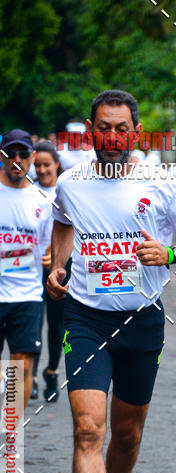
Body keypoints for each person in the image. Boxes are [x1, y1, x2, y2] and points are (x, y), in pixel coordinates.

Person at [47, 89, 176, 473]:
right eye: (104, 127)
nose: (113, 136)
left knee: (127, 433)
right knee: (87, 429)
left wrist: (170, 253)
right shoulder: (72, 182)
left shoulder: (159, 182)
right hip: (85, 318)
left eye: (122, 128)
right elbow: (61, 222)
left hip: (141, 320)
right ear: (89, 128)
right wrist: (57, 265)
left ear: (135, 132)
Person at [0, 129, 53, 419]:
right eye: (11, 154)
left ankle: (9, 433)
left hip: (27, 294)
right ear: (2, 156)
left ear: (32, 157)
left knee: (20, 367)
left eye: (23, 154)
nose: (17, 160)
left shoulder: (42, 201)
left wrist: (50, 260)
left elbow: (46, 250)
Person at [31, 141, 64, 402]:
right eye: (37, 165)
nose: (42, 170)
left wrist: (58, 257)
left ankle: (51, 372)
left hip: (61, 270)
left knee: (56, 325)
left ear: (56, 165)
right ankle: (28, 376)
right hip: (29, 270)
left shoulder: (66, 193)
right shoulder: (26, 191)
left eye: (46, 165)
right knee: (32, 324)